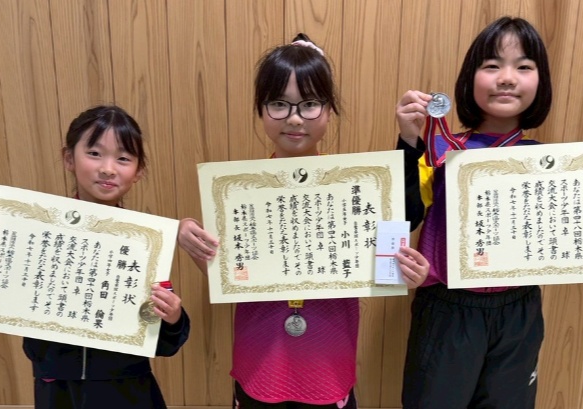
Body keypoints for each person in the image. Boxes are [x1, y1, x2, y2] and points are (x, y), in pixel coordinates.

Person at [394, 16, 583, 409]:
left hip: (519, 310)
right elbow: (403, 215)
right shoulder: (442, 150)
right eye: (492, 65)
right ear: (469, 79)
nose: (506, 78)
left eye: (523, 66)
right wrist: (408, 139)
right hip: (448, 310)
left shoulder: (553, 165)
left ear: (541, 81)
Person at [177, 33, 429, 408]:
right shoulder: (238, 192)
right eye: (279, 104)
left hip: (328, 360)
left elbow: (398, 232)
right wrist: (189, 235)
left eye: (309, 104)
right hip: (260, 361)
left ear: (329, 110)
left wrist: (407, 271)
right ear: (261, 109)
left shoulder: (355, 189)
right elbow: (225, 277)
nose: (294, 118)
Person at [0, 105, 191, 409]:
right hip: (57, 390)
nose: (108, 168)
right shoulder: (33, 232)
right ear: (69, 158)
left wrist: (173, 318)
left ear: (138, 171)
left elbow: (165, 344)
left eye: (123, 158)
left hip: (128, 390)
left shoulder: (145, 242)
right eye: (95, 153)